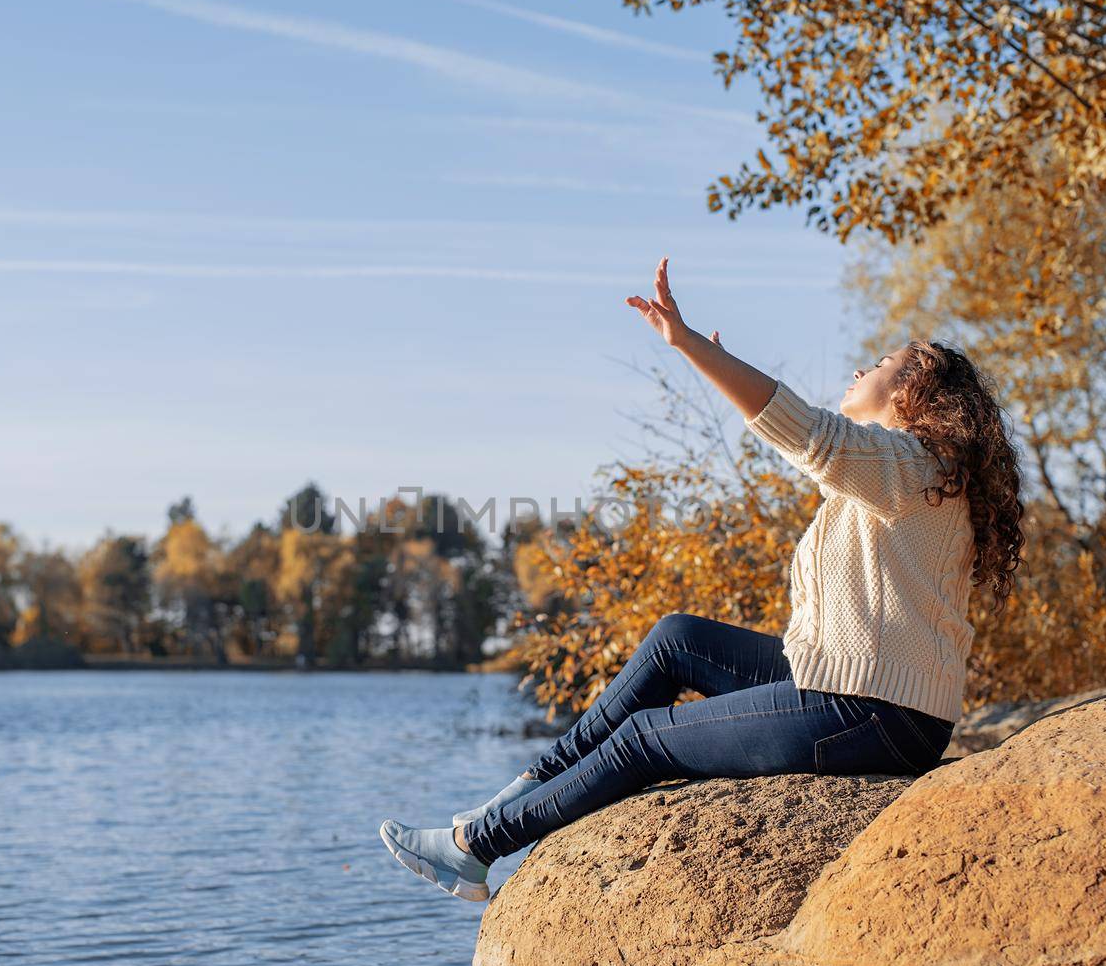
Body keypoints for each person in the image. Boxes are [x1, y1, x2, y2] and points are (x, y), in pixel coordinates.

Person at [379, 256, 1026, 902]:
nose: (862, 370)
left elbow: (805, 431)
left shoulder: (911, 464)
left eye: (881, 365)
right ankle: (517, 794)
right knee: (676, 638)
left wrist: (690, 347)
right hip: (859, 691)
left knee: (644, 740)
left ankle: (476, 847)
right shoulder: (912, 475)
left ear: (914, 396)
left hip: (874, 712)